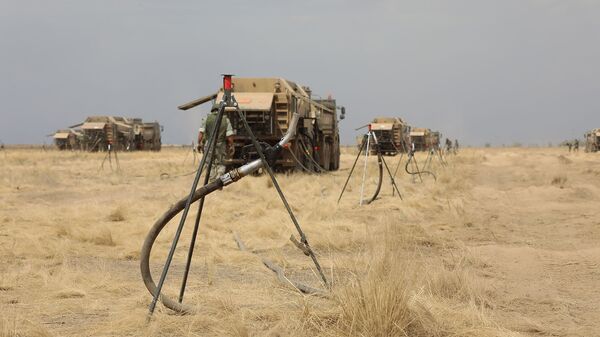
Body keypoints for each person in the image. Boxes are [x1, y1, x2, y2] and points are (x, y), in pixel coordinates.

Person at [198, 107, 235, 181]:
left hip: (209, 144)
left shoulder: (206, 119)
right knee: (221, 162)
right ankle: (219, 179)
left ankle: (212, 180)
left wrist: (199, 143)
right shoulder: (226, 120)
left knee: (209, 163)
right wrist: (232, 145)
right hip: (221, 144)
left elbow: (201, 133)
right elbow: (229, 136)